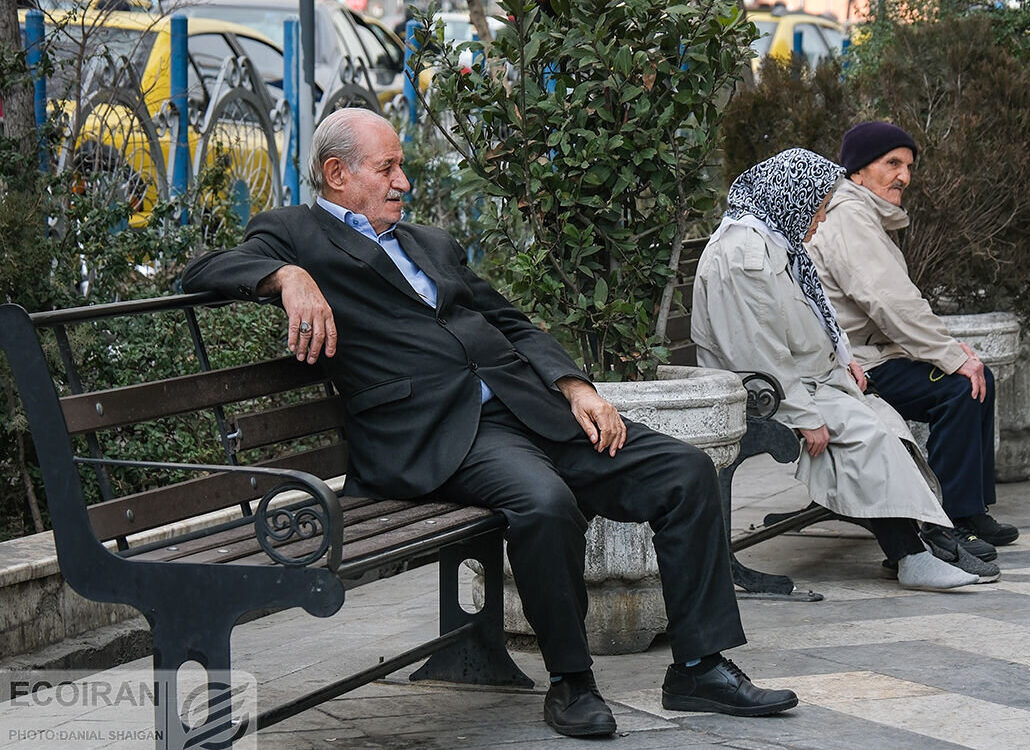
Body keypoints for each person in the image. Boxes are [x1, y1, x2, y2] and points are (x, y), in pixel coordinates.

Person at [181, 107, 797, 739]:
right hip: (439, 434)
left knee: (686, 471)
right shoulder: (295, 233)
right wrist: (289, 276)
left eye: (401, 167)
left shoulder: (428, 243)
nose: (403, 182)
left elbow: (509, 321)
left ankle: (698, 668)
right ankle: (572, 681)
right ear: (337, 174)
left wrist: (575, 386)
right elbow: (201, 269)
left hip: (529, 407)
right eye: (387, 168)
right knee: (545, 502)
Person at [691, 147, 997, 590]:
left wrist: (844, 360)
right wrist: (804, 416)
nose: (820, 219)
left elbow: (807, 323)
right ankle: (912, 555)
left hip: (803, 382)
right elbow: (756, 351)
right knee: (867, 436)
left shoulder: (771, 241)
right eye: (817, 207)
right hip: (771, 393)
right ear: (792, 198)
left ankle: (929, 538)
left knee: (886, 425)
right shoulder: (744, 256)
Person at [806, 121, 1020, 563]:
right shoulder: (849, 217)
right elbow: (890, 302)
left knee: (977, 379)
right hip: (856, 365)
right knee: (960, 388)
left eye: (908, 166)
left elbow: (893, 304)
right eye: (892, 163)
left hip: (876, 354)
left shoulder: (863, 214)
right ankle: (946, 522)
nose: (904, 176)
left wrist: (953, 353)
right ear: (857, 170)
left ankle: (970, 510)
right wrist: (951, 356)